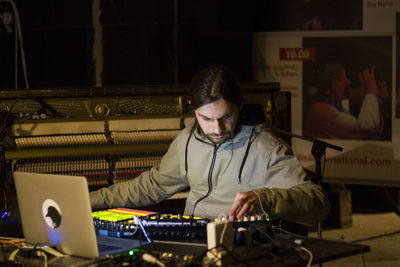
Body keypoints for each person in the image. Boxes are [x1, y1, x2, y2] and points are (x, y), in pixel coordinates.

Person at [90, 65, 330, 226]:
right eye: (205, 119)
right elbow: (150, 186)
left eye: (226, 117)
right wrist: (89, 200)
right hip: (192, 239)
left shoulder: (266, 149)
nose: (216, 129)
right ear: (192, 109)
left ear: (240, 106)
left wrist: (264, 198)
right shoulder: (187, 140)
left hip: (237, 246)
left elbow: (317, 203)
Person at [304, 62, 382, 140]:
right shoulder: (319, 110)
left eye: (346, 77)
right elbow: (367, 128)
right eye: (340, 79)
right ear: (327, 89)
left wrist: (372, 94)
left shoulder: (336, 107)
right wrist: (370, 92)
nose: (348, 82)